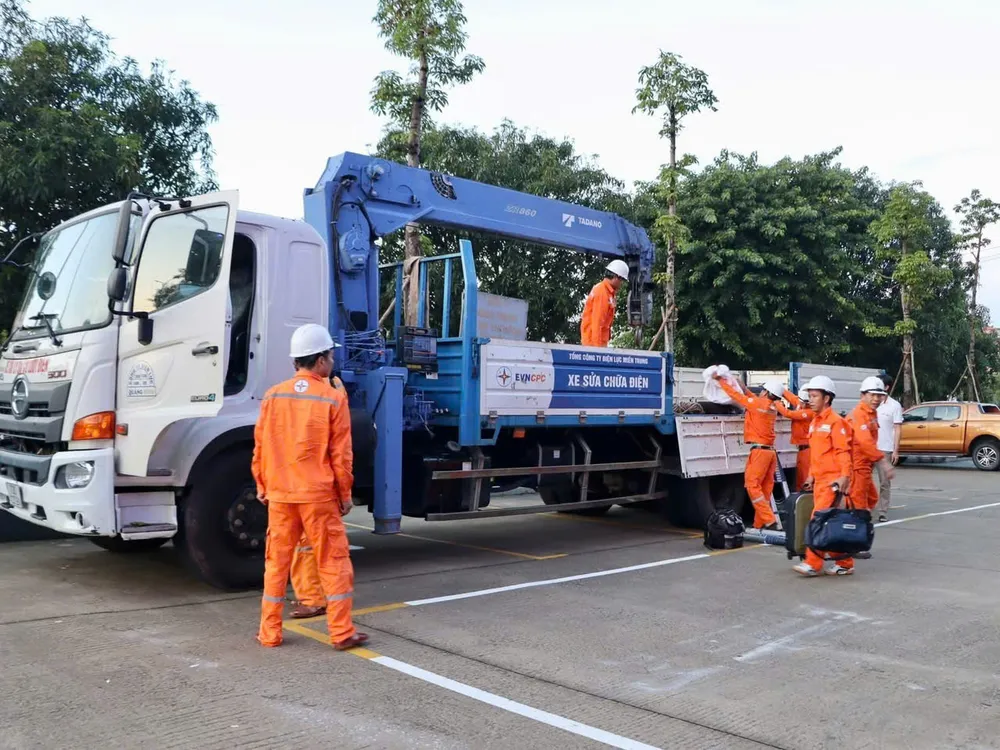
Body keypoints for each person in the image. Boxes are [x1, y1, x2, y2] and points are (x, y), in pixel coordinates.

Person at [252, 323, 368, 650]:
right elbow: (341, 455)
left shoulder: (273, 396)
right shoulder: (332, 398)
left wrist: (262, 483)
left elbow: (260, 446)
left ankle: (269, 633)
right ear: (319, 361)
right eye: (330, 356)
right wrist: (345, 495)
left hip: (280, 495)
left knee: (276, 565)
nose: (332, 362)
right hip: (318, 495)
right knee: (334, 562)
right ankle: (342, 632)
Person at [288, 374, 351, 620]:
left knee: (310, 545)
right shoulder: (333, 390)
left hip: (307, 483)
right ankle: (318, 598)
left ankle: (314, 599)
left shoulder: (293, 392)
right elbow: (340, 449)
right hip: (316, 482)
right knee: (322, 546)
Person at [794, 376, 854, 577]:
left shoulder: (837, 423)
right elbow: (817, 454)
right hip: (820, 481)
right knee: (828, 523)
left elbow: (843, 451)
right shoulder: (815, 422)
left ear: (826, 398)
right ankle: (845, 562)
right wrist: (811, 476)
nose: (810, 400)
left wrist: (844, 477)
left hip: (833, 482)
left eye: (814, 396)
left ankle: (812, 563)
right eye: (809, 396)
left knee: (817, 520)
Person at [713, 374, 786, 529]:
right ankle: (759, 525)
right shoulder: (771, 407)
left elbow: (735, 396)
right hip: (770, 452)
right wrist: (745, 388)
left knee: (752, 485)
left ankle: (769, 520)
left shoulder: (758, 404)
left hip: (760, 452)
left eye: (762, 390)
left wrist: (721, 380)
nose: (760, 392)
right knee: (765, 491)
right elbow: (754, 399)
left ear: (765, 392)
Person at [580, 259, 629, 347]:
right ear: (616, 277)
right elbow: (597, 323)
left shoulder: (607, 292)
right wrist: (597, 350)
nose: (622, 283)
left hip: (597, 342)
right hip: (593, 343)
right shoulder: (602, 292)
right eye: (622, 280)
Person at [875, 372, 903, 522]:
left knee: (884, 482)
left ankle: (882, 511)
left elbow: (897, 428)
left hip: (884, 449)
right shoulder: (870, 403)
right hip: (868, 448)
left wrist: (895, 450)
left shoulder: (894, 406)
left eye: (879, 384)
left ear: (886, 387)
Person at [773, 387, 814, 491]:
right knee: (800, 479)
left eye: (804, 403)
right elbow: (792, 397)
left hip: (808, 450)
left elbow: (788, 414)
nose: (802, 404)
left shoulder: (810, 412)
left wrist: (778, 404)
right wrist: (779, 389)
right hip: (802, 450)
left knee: (805, 480)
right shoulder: (801, 403)